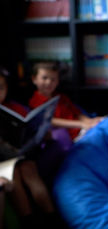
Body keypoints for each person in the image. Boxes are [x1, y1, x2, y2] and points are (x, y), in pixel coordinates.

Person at [0, 67, 58, 228]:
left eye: (1, 88)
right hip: (4, 161)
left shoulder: (15, 108)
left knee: (29, 172)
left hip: (23, 154)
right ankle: (28, 220)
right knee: (14, 175)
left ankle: (52, 217)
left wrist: (41, 133)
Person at [29, 61, 104, 142]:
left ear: (58, 81)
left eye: (53, 79)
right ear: (34, 79)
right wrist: (82, 124)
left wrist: (90, 121)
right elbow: (50, 121)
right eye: (44, 78)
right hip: (72, 137)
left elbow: (77, 113)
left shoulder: (61, 97)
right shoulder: (35, 102)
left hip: (83, 129)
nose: (49, 82)